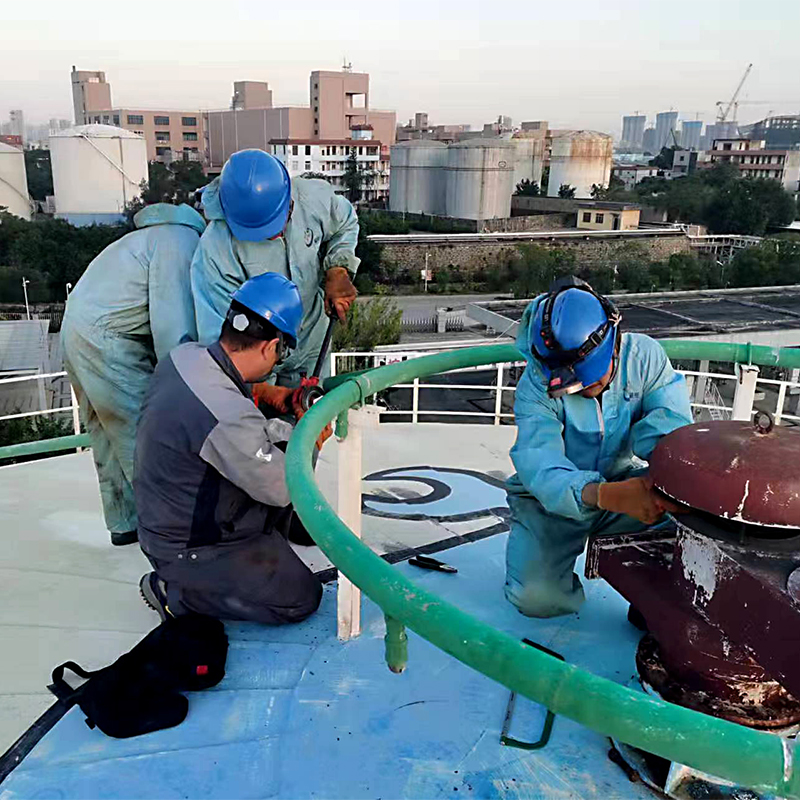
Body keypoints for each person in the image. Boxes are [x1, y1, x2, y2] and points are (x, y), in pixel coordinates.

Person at [134, 272, 331, 625]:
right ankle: (176, 591)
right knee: (301, 596)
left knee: (272, 449)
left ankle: (262, 541)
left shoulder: (184, 356)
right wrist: (311, 438)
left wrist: (263, 392)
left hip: (166, 516)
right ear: (271, 347)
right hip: (186, 547)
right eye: (282, 352)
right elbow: (284, 488)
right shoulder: (228, 416)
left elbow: (221, 409)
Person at [504, 276, 693, 618]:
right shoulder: (536, 385)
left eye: (593, 380)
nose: (583, 389)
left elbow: (670, 435)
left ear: (614, 345)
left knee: (688, 529)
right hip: (550, 502)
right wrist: (602, 495)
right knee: (537, 598)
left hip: (624, 486)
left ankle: (651, 597)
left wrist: (667, 486)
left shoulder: (645, 357)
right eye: (573, 385)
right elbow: (540, 462)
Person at [61, 203, 206, 546]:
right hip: (107, 339)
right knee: (147, 434)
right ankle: (172, 532)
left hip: (73, 332)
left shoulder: (140, 239)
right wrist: (190, 390)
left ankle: (124, 521)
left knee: (106, 431)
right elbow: (173, 330)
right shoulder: (181, 242)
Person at [190, 148, 359, 391]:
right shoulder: (215, 250)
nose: (277, 234)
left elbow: (345, 223)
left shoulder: (312, 198)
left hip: (313, 343)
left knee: (315, 410)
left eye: (283, 219)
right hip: (255, 362)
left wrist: (338, 269)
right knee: (257, 416)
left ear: (288, 195)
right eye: (263, 233)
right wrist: (266, 393)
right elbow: (220, 342)